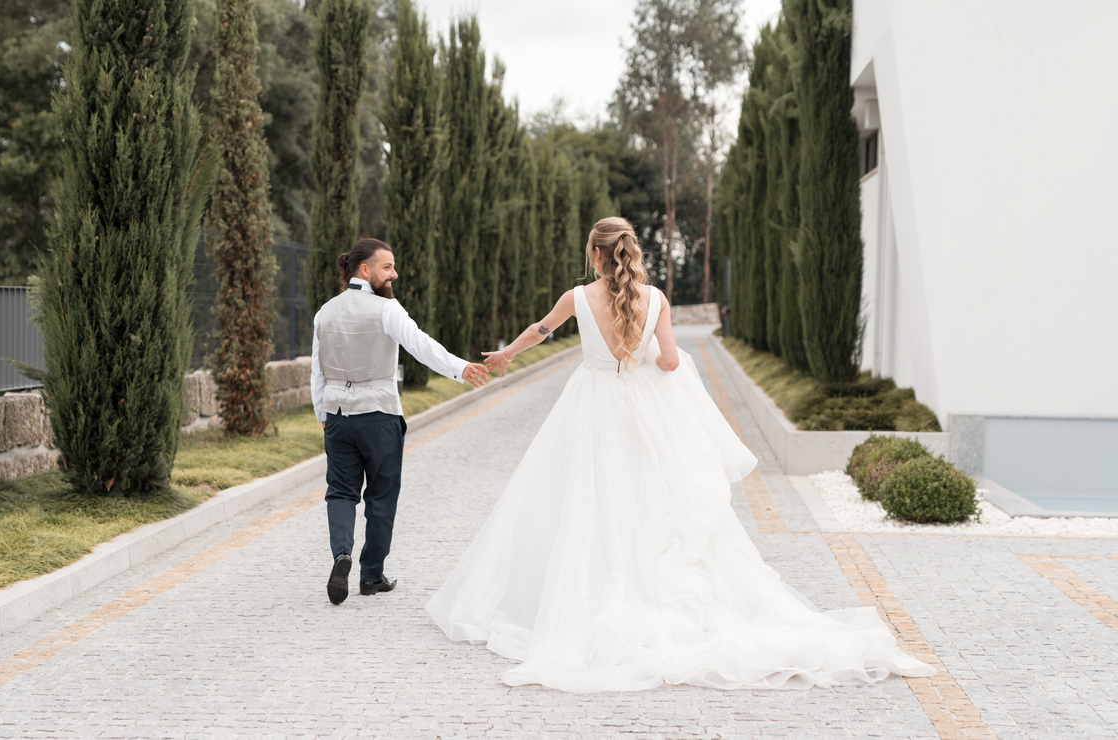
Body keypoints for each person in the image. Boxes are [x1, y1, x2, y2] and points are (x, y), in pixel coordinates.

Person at [425, 217, 934, 692]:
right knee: (649, 497)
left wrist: (505, 355)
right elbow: (669, 362)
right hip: (642, 412)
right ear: (629, 252)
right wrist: (642, 351)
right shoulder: (657, 300)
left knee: (587, 496)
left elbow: (541, 330)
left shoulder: (576, 297)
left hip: (592, 406)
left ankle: (589, 588)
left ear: (596, 254)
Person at [311, 238, 489, 606]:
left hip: (338, 417)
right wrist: (460, 368)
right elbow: (421, 344)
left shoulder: (324, 312)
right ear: (365, 270)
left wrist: (323, 414)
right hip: (379, 416)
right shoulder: (386, 309)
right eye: (387, 267)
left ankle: (341, 553)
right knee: (381, 496)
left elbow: (317, 371)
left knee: (340, 492)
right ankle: (371, 576)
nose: (394, 274)